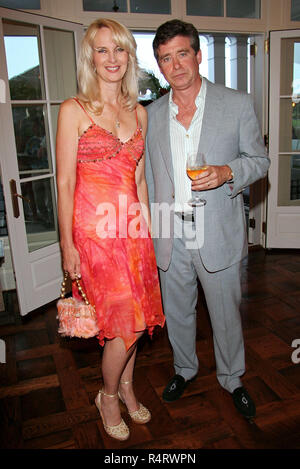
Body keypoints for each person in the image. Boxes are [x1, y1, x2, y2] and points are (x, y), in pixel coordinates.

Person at [145, 19, 270, 419]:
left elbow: (260, 161)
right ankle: (184, 369)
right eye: (166, 58)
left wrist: (228, 172)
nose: (176, 65)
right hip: (171, 231)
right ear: (160, 66)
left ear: (198, 56)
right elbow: (147, 178)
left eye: (182, 54)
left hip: (216, 229)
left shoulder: (236, 103)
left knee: (225, 312)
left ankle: (233, 378)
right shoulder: (151, 115)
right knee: (177, 311)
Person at [56, 18, 165, 441]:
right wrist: (67, 245)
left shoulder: (139, 112)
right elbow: (64, 182)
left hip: (133, 232)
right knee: (126, 324)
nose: (112, 59)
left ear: (128, 57)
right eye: (102, 50)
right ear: (91, 58)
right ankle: (107, 396)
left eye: (119, 49)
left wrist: (149, 234)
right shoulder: (74, 110)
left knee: (136, 316)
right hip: (95, 233)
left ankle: (126, 386)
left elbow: (138, 180)